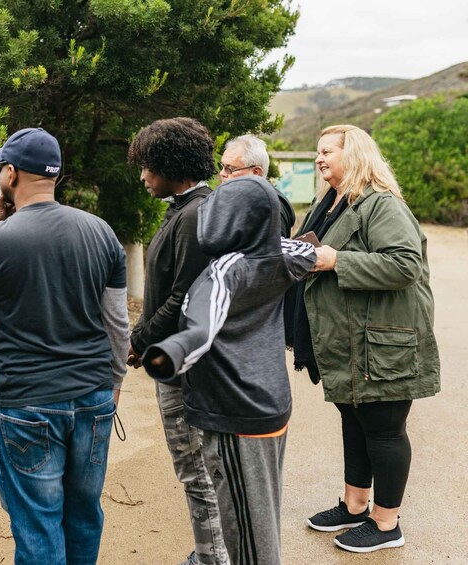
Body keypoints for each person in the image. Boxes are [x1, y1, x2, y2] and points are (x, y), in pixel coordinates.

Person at [0, 127, 130, 565]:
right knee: (83, 514)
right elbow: (117, 324)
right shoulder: (100, 232)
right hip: (93, 396)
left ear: (10, 174)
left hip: (27, 403)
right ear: (56, 176)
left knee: (38, 523)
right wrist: (114, 385)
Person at [142, 176, 317, 565]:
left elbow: (202, 327)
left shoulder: (225, 270)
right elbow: (311, 252)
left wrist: (170, 353)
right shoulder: (281, 255)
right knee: (262, 517)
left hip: (235, 413)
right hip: (271, 405)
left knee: (245, 536)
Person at [290, 124, 440, 553]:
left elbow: (404, 264)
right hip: (348, 341)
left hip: (382, 343)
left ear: (353, 155)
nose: (319, 159)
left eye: (327, 152)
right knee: (354, 421)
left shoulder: (381, 204)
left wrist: (336, 260)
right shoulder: (330, 203)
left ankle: (387, 524)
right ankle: (356, 506)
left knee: (384, 429)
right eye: (317, 153)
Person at [126, 117, 228, 565]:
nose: (143, 176)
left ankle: (213, 557)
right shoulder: (186, 208)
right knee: (198, 467)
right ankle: (213, 552)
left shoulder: (194, 215)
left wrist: (139, 340)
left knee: (197, 469)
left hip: (182, 367)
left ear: (171, 163)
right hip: (174, 358)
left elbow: (183, 298)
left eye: (148, 165)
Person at [218, 134, 295, 238]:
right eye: (222, 166)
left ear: (256, 172)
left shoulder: (269, 208)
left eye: (230, 168)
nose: (222, 173)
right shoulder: (244, 200)